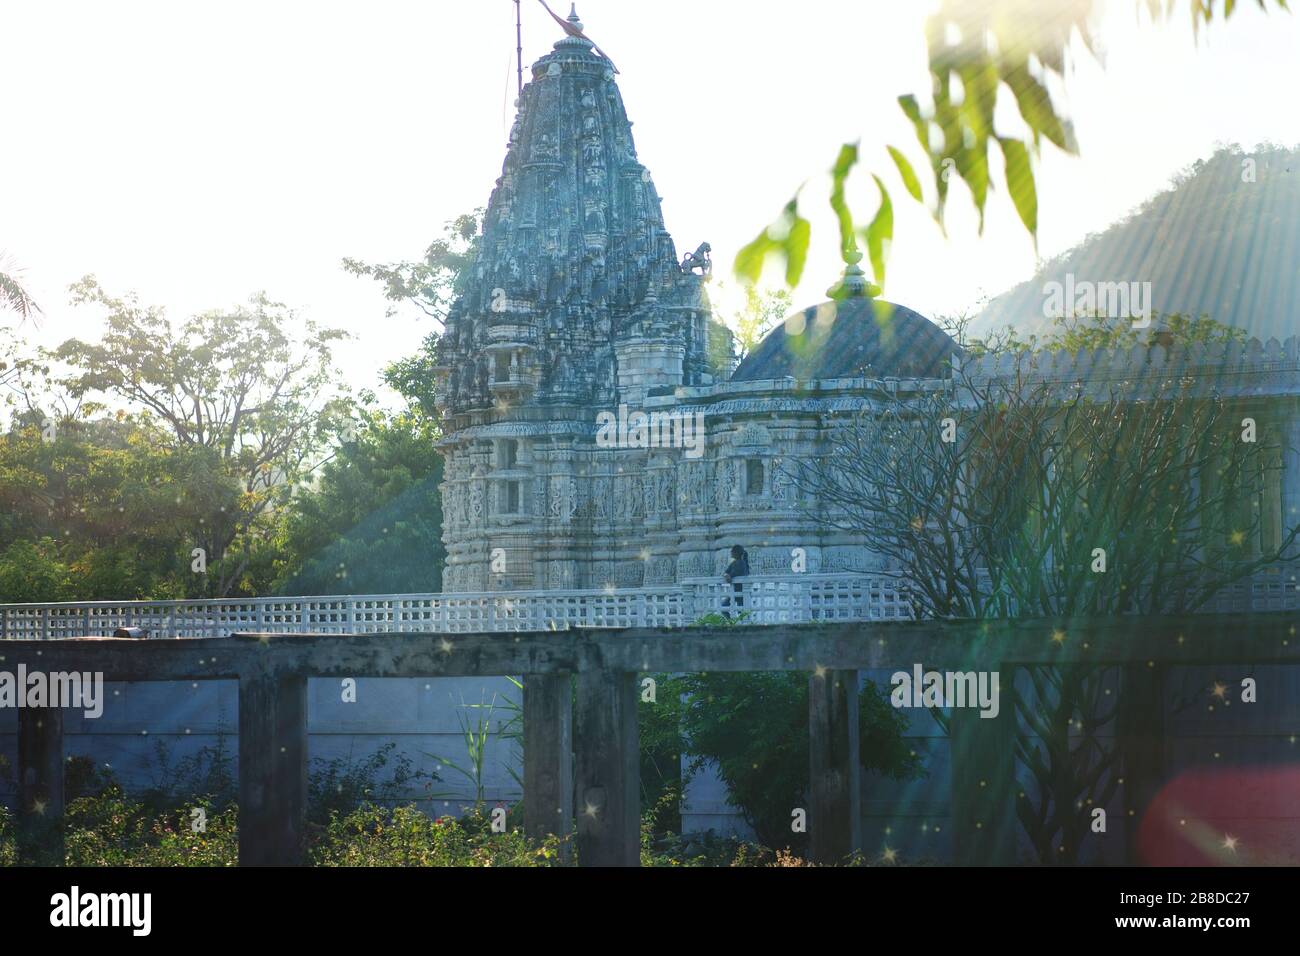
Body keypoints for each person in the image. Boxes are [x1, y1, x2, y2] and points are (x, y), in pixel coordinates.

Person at [721, 545, 749, 620]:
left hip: (741, 591)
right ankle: (731, 623)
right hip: (735, 590)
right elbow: (726, 572)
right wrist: (726, 575)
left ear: (736, 553)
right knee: (724, 607)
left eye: (732, 551)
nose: (731, 553)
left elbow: (736, 573)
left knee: (742, 612)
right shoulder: (734, 563)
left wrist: (729, 575)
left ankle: (737, 625)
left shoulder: (742, 563)